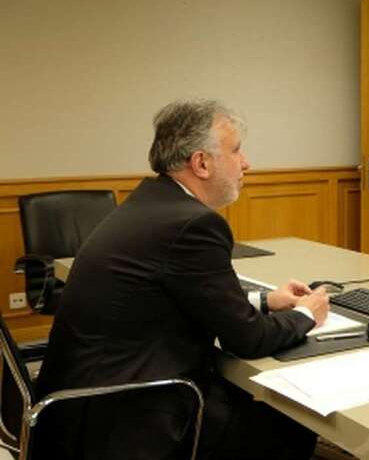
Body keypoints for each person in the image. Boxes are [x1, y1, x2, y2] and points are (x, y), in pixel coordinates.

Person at [35, 101, 329, 460]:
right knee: (292, 423)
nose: (246, 163)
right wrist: (307, 315)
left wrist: (265, 302)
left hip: (76, 408)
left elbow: (170, 297)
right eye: (236, 150)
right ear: (201, 163)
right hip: (126, 420)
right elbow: (250, 340)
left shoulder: (150, 203)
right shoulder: (193, 225)